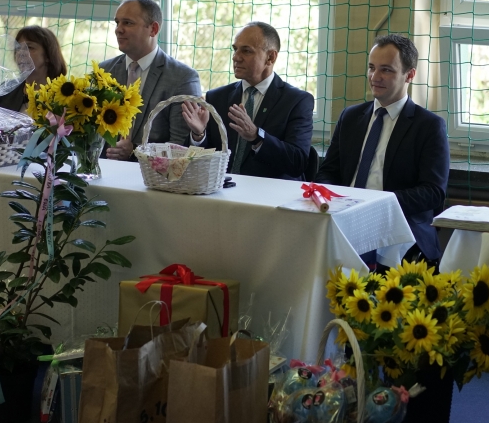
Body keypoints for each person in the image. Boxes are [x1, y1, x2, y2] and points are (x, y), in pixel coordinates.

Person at [316, 34, 450, 266]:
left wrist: (378, 205)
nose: (375, 77)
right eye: (371, 68)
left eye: (386, 70)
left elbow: (433, 192)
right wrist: (334, 199)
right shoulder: (351, 117)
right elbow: (328, 172)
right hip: (343, 220)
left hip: (399, 230)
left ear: (410, 75)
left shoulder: (428, 125)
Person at [181, 22, 313, 180]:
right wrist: (198, 135)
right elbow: (197, 161)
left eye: (246, 51)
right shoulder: (216, 98)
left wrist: (256, 136)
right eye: (235, 49)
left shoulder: (297, 101)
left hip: (269, 192)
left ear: (270, 57)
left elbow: (298, 162)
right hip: (221, 190)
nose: (236, 57)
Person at [100, 0, 202, 161]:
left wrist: (135, 151)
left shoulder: (182, 78)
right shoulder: (104, 71)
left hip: (152, 175)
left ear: (153, 29)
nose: (118, 29)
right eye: (117, 22)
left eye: (127, 23)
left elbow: (180, 148)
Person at [0, 26, 67, 112]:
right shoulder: (7, 89)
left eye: (29, 47)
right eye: (18, 48)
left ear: (48, 55)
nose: (21, 53)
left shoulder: (65, 94)